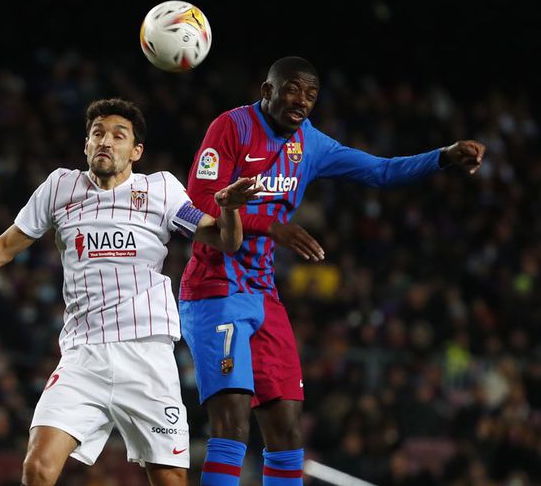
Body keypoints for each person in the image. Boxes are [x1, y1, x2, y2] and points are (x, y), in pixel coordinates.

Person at [0, 98, 261, 486]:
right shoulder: (60, 186)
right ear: (85, 144)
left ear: (136, 151)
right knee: (37, 468)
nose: (105, 141)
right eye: (97, 133)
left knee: (169, 480)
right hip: (83, 355)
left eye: (119, 135)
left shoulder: (160, 190)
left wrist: (230, 209)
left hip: (146, 353)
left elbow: (223, 240)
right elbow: (4, 246)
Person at [178, 56, 486, 485]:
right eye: (291, 89)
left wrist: (443, 156)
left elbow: (380, 171)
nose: (301, 100)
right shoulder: (231, 128)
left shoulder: (311, 144)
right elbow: (196, 204)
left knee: (287, 431)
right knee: (232, 423)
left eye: (310, 93)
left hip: (263, 296)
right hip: (214, 292)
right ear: (266, 91)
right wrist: (270, 227)